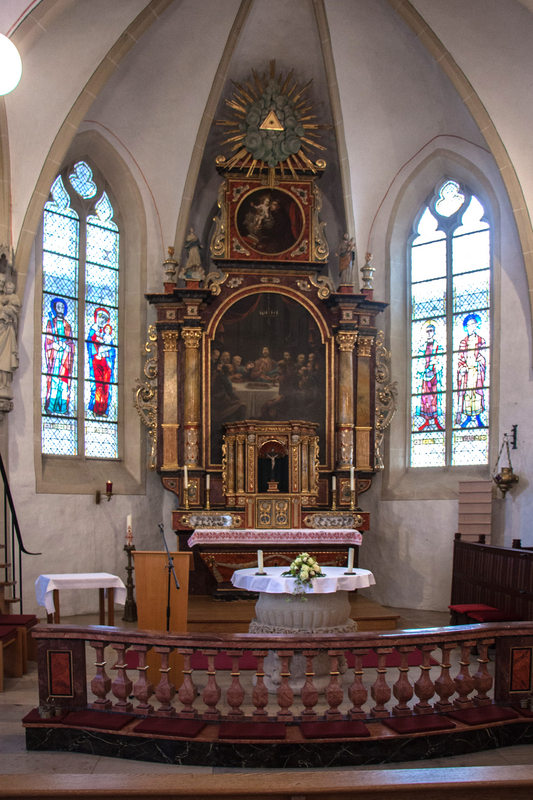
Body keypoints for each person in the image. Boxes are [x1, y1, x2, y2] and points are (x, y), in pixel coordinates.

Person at [44, 297, 75, 414]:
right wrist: (55, 346)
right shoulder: (51, 323)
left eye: (62, 307)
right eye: (58, 307)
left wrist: (68, 347)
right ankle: (51, 406)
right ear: (55, 309)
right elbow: (48, 340)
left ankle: (63, 407)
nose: (60, 309)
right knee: (54, 382)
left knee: (64, 382)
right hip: (56, 356)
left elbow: (71, 342)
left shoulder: (68, 325)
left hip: (66, 357)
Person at [456, 313, 486, 428]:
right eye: (468, 325)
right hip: (466, 373)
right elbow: (460, 358)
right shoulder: (463, 342)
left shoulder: (481, 340)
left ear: (476, 325)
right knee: (467, 395)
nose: (470, 327)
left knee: (477, 394)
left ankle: (478, 418)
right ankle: (468, 417)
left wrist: (479, 361)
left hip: (476, 372)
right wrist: (462, 367)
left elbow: (483, 355)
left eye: (472, 324)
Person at [87, 306, 115, 416]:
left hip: (106, 363)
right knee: (97, 386)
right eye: (100, 318)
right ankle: (96, 409)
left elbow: (112, 350)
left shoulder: (107, 336)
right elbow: (90, 346)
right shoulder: (92, 331)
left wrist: (107, 353)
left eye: (104, 319)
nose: (102, 321)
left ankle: (104, 410)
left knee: (106, 387)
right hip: (95, 362)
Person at [416, 322, 444, 432]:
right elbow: (418, 361)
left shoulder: (438, 347)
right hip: (425, 376)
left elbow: (441, 361)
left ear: (434, 332)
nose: (429, 333)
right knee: (425, 398)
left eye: (431, 331)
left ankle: (436, 421)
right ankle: (426, 421)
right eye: (427, 331)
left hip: (434, 377)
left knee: (434, 398)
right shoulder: (422, 347)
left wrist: (435, 366)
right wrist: (423, 369)